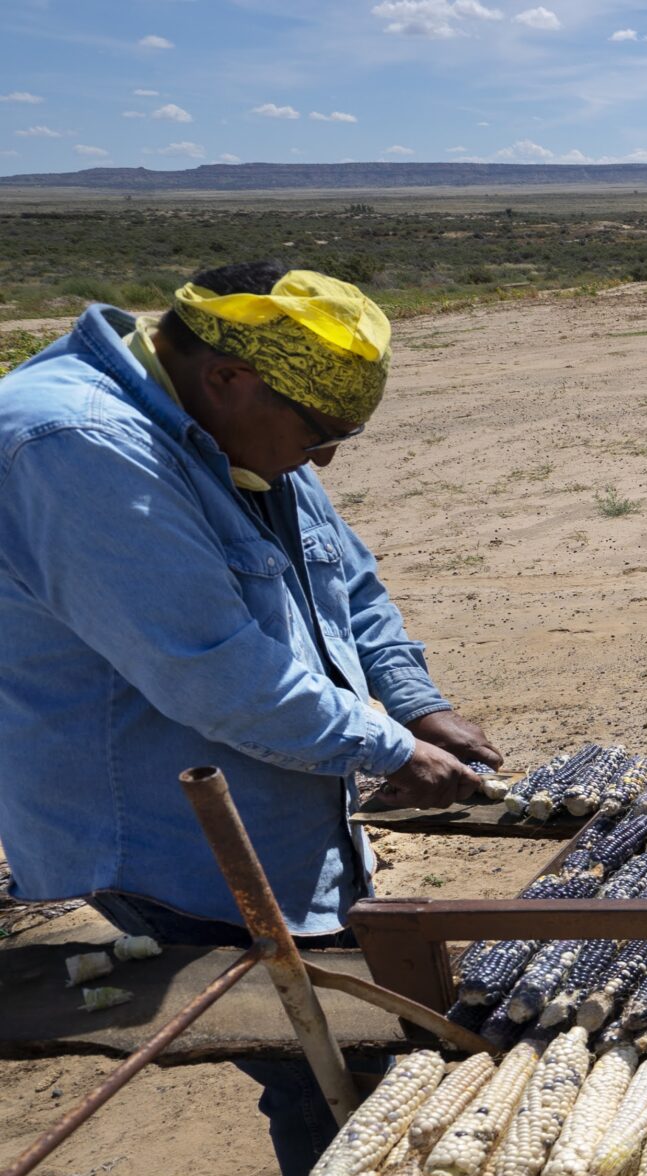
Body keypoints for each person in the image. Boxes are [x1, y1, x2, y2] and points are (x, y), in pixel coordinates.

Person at [0, 260, 497, 951]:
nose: (322, 461)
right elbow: (212, 670)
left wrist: (416, 702)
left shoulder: (236, 430)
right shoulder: (80, 448)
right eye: (321, 432)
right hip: (168, 856)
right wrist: (393, 751)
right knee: (314, 1039)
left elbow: (344, 575)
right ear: (229, 379)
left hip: (273, 833)